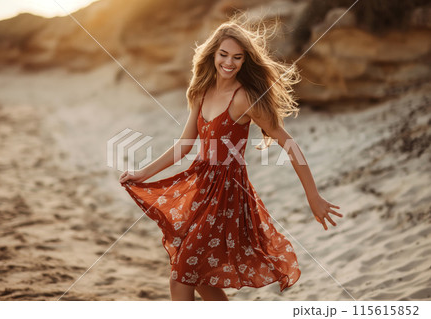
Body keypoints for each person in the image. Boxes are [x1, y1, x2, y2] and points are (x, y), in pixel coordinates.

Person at [119, 14, 343, 301]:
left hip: (228, 196)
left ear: (244, 61)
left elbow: (288, 142)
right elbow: (185, 144)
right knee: (197, 277)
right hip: (201, 189)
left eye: (237, 57)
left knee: (180, 278)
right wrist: (142, 174)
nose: (229, 62)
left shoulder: (244, 98)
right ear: (213, 54)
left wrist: (313, 196)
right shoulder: (200, 91)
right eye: (223, 54)